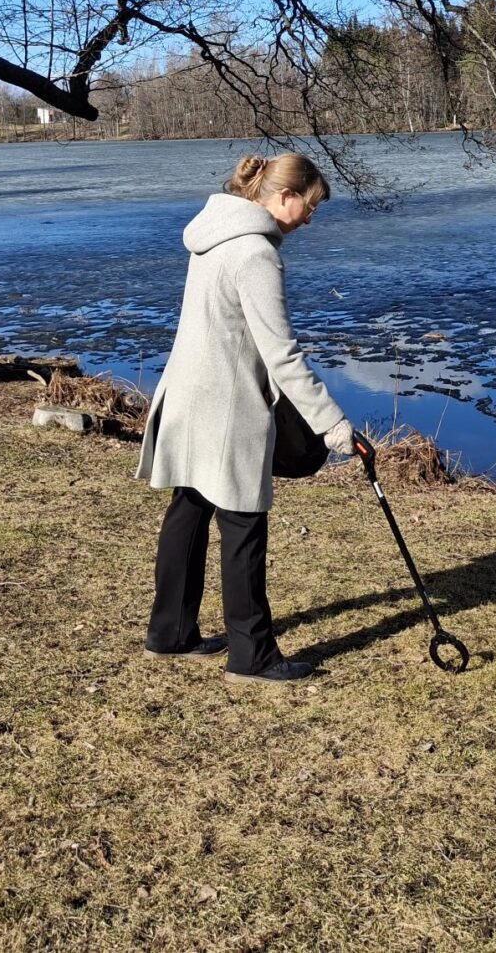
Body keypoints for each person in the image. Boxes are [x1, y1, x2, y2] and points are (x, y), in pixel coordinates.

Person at [136, 151, 357, 682]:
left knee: (187, 511)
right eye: (309, 205)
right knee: (242, 525)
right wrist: (333, 425)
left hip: (188, 393)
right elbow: (282, 353)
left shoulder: (211, 234)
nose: (310, 218)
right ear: (283, 197)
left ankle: (169, 634)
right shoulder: (256, 252)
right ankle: (252, 656)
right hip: (227, 405)